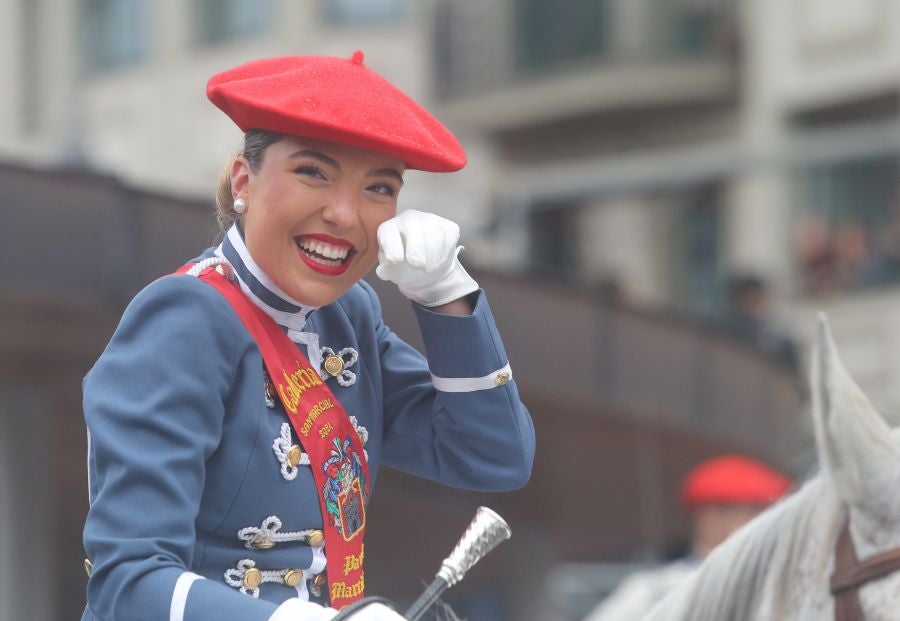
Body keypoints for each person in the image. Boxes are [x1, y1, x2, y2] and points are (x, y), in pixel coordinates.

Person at [81, 52, 536, 621]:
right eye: (313, 172)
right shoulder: (184, 319)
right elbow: (127, 585)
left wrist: (446, 294)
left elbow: (494, 456)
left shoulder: (350, 316)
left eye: (378, 188)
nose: (345, 215)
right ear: (243, 180)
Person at [582, 454, 791, 621]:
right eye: (753, 511)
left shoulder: (782, 587)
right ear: (712, 515)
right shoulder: (656, 591)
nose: (768, 524)